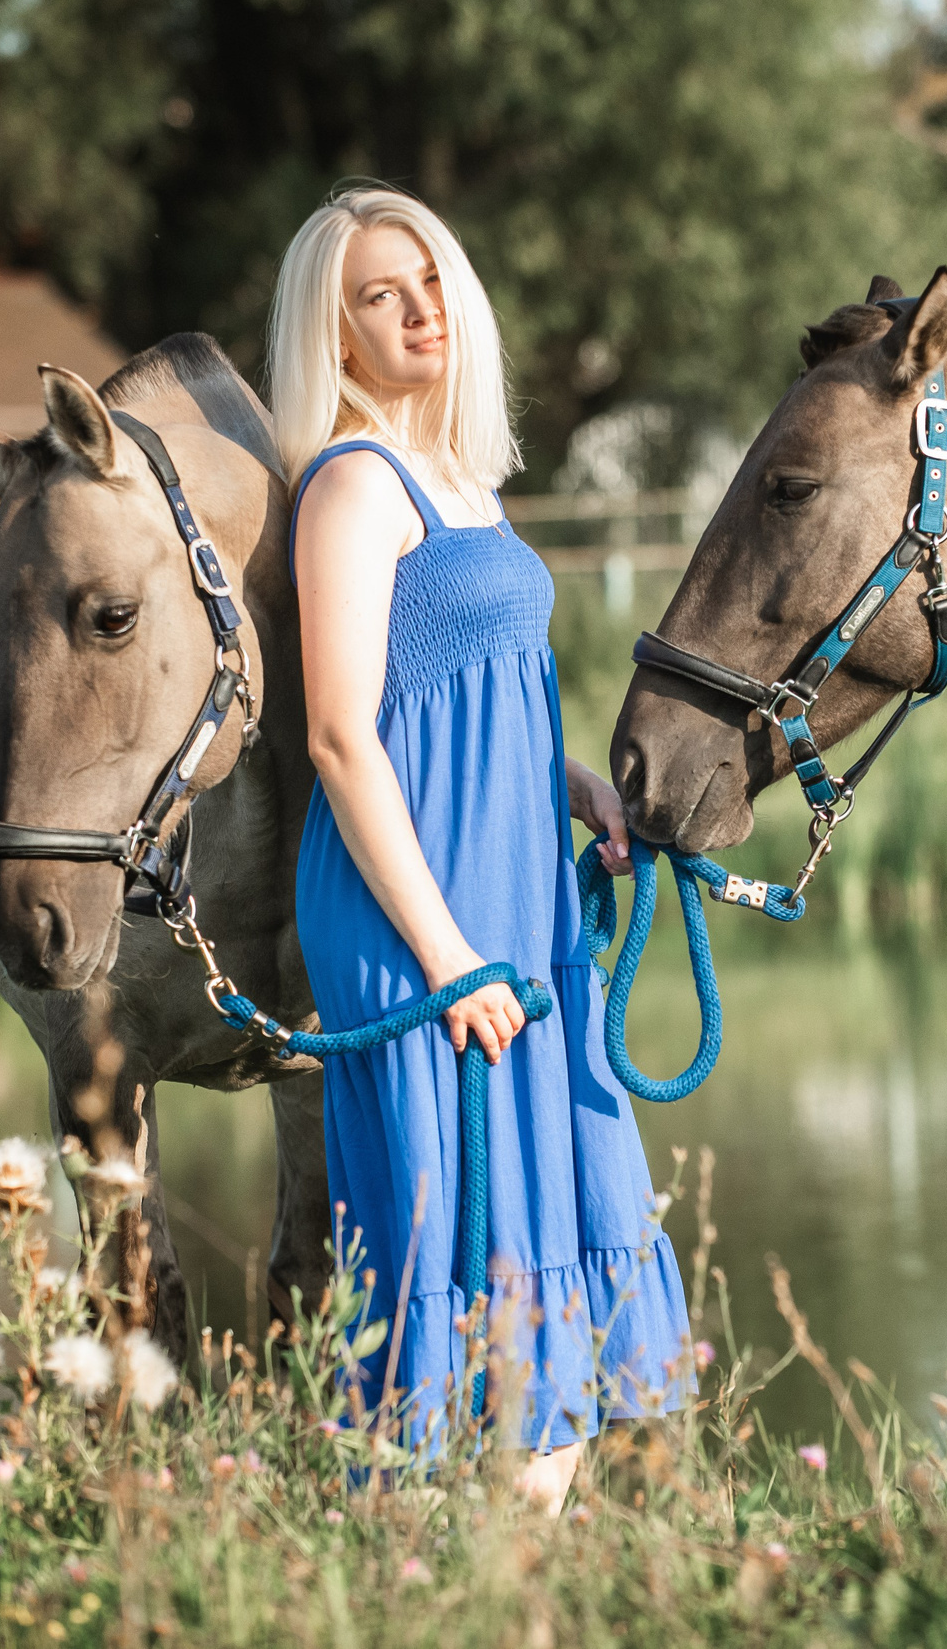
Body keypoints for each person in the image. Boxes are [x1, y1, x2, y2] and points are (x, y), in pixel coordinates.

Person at [270, 186, 693, 1509]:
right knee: (452, 1216)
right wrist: (447, 953)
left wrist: (568, 780)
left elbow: (467, 681)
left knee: (555, 1185)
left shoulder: (464, 478)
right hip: (421, 911)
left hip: (516, 892)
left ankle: (517, 1565)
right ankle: (414, 1557)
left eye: (431, 281)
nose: (418, 312)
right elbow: (343, 737)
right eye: (379, 298)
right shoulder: (351, 487)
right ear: (333, 337)